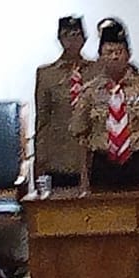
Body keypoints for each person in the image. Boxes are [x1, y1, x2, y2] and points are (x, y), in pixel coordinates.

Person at [70, 19, 139, 190]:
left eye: (119, 52)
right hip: (104, 164)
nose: (115, 57)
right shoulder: (90, 91)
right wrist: (83, 178)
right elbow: (82, 137)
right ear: (100, 57)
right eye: (109, 52)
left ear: (129, 54)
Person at [33, 15, 97, 190]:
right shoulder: (47, 74)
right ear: (59, 39)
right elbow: (42, 121)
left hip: (93, 154)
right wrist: (40, 160)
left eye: (76, 34)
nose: (72, 40)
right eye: (67, 35)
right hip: (59, 156)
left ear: (84, 38)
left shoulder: (97, 70)